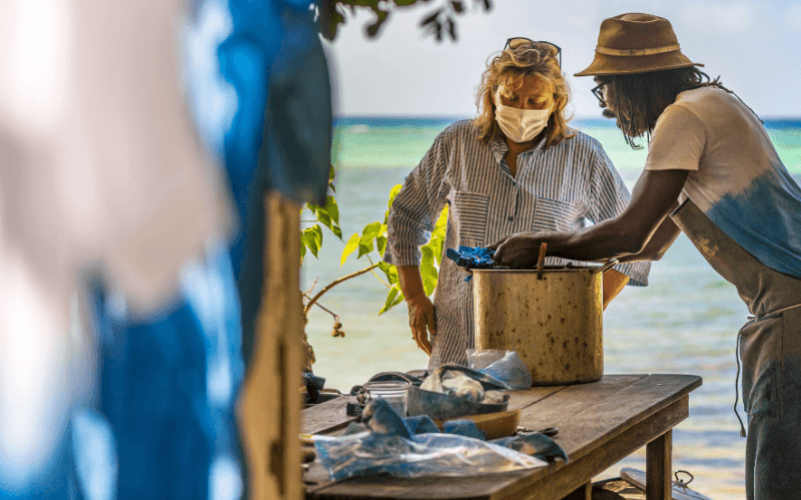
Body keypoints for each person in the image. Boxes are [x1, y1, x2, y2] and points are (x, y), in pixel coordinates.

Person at [491, 14, 801, 500]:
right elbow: (651, 245)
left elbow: (630, 231)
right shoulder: (715, 104)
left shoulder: (683, 117)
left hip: (790, 318)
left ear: (633, 83)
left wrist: (541, 245)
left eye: (606, 91)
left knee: (779, 480)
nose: (608, 109)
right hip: (785, 312)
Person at [383, 39, 650, 369]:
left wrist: (586, 309)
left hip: (549, 350)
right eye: (510, 97)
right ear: (492, 94)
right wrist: (414, 297)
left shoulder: (585, 156)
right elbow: (405, 217)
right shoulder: (456, 143)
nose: (522, 109)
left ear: (556, 102)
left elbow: (634, 244)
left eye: (535, 101)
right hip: (459, 344)